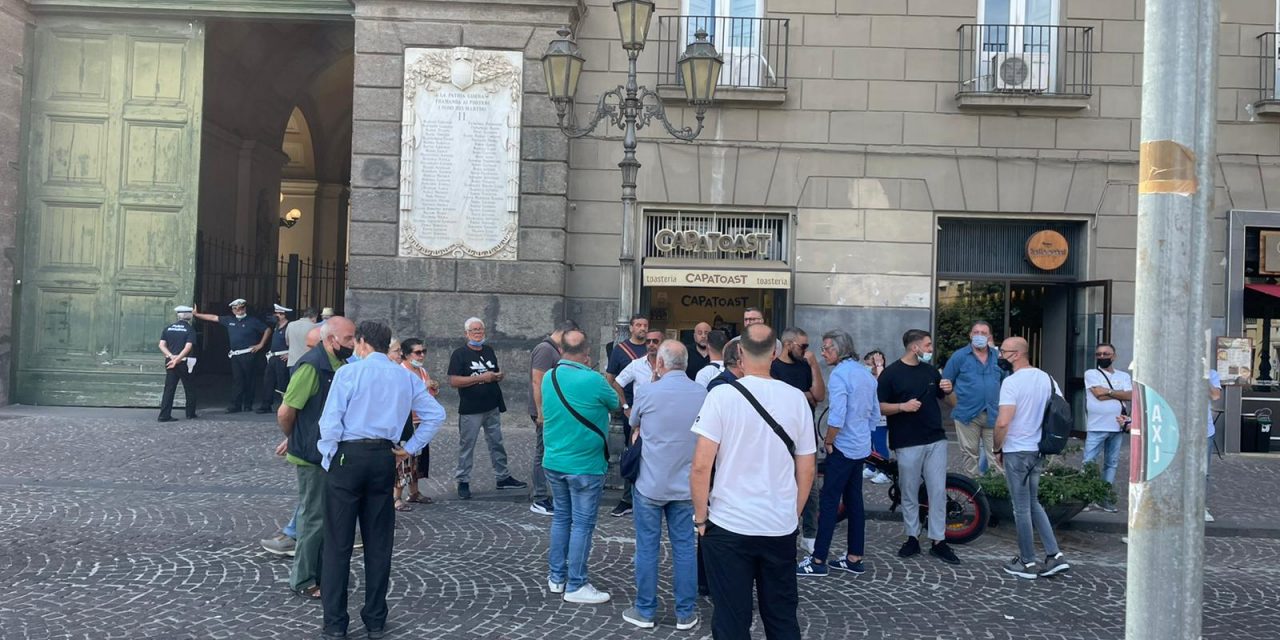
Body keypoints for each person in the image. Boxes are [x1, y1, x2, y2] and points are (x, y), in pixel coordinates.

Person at [318, 321, 446, 639]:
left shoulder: (350, 372)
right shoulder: (404, 376)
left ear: (361, 343)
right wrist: (409, 449)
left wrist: (328, 457)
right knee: (378, 542)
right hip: (382, 457)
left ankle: (335, 624)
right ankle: (375, 618)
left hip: (348, 454)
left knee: (338, 544)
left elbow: (330, 421)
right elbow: (436, 415)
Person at [691, 324, 817, 640]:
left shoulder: (721, 395)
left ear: (741, 354)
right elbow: (807, 469)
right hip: (778, 524)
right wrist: (794, 512)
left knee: (731, 620)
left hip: (728, 524)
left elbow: (700, 467)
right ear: (775, 354)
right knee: (782, 617)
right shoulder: (796, 399)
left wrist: (700, 520)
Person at [623, 340, 706, 630]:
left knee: (647, 547)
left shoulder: (647, 391)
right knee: (684, 548)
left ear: (660, 364)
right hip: (685, 484)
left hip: (650, 482)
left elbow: (634, 422)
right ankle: (685, 612)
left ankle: (645, 610)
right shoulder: (702, 393)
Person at [278, 316, 355, 601]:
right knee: (313, 517)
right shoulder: (312, 367)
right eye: (348, 339)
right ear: (331, 340)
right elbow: (287, 411)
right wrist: (296, 438)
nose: (352, 343)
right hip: (312, 456)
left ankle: (322, 573)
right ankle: (303, 578)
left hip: (329, 453)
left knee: (325, 517)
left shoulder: (340, 366)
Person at [541, 328, 620, 604]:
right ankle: (576, 584)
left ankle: (556, 577)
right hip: (585, 464)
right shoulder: (593, 379)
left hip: (554, 461)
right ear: (587, 355)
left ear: (561, 351)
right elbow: (615, 403)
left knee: (562, 518)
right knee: (583, 525)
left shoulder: (549, 377)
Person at [876, 329, 961, 565]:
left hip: (936, 438)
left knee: (937, 490)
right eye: (928, 345)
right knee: (910, 491)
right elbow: (879, 407)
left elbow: (952, 403)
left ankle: (938, 540)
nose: (931, 350)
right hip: (906, 441)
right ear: (915, 348)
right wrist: (902, 407)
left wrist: (949, 389)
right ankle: (912, 537)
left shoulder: (931, 371)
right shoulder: (891, 374)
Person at [797, 330, 877, 578]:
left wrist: (829, 440)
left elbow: (837, 415)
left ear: (839, 349)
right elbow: (874, 413)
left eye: (826, 348)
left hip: (843, 446)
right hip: (860, 444)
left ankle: (818, 558)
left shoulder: (840, 375)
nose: (823, 352)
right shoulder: (866, 373)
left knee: (829, 501)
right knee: (854, 501)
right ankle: (855, 556)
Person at [993, 337, 1070, 580]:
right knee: (1034, 504)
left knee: (1021, 509)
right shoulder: (1047, 379)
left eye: (1003, 352)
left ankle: (1027, 562)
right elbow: (1061, 410)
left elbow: (1003, 421)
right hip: (1038, 449)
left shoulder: (1012, 383)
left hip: (1017, 450)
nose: (1000, 356)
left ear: (1016, 354)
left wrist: (997, 448)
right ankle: (1054, 555)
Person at [447, 317, 526, 500]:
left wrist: (497, 376)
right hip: (471, 408)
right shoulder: (459, 354)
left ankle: (503, 477)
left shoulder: (489, 350)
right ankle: (463, 480)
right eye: (474, 330)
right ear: (467, 333)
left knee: (497, 442)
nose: (478, 333)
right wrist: (482, 378)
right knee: (467, 445)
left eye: (480, 330)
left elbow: (492, 372)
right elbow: (454, 381)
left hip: (492, 405)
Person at [772, 327, 826, 554]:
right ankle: (781, 530)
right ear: (788, 344)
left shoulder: (806, 365)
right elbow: (776, 396)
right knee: (780, 484)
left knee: (810, 486)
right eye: (802, 346)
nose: (806, 351)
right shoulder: (774, 367)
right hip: (780, 436)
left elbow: (819, 396)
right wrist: (803, 394)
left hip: (806, 434)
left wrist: (814, 365)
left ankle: (810, 535)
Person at [608, 327, 665, 517]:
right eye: (648, 341)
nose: (650, 345)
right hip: (639, 421)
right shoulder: (636, 365)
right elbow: (617, 383)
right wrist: (626, 407)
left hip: (663, 421)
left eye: (655, 341)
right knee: (633, 457)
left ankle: (658, 499)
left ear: (662, 344)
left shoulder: (670, 366)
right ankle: (627, 499)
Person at [529, 320, 579, 516]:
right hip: (545, 411)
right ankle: (540, 497)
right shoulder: (545, 349)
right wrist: (540, 411)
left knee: (549, 450)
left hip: (552, 410)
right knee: (542, 452)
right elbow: (537, 380)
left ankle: (546, 494)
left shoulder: (552, 349)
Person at [941, 321, 1004, 475]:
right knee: (970, 456)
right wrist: (954, 400)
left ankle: (996, 494)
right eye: (976, 332)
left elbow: (1008, 382)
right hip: (966, 415)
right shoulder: (959, 356)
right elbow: (945, 383)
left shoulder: (999, 357)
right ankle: (974, 495)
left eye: (983, 333)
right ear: (970, 335)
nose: (979, 336)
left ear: (989, 336)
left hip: (994, 414)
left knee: (996, 457)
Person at [193, 299, 270, 413]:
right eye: (236, 309)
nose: (239, 310)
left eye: (241, 308)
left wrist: (261, 344)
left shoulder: (252, 321)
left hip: (249, 354)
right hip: (235, 355)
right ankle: (235, 405)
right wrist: (196, 314)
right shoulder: (229, 320)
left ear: (244, 308)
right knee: (237, 381)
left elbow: (267, 329)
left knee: (249, 380)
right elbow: (214, 318)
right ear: (233, 310)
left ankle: (248, 404)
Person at [1082, 342, 1132, 512]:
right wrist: (1117, 393)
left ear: (1114, 356)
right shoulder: (1091, 373)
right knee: (1089, 461)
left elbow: (1131, 395)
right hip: (1097, 425)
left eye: (1106, 354)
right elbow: (1097, 395)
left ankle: (1104, 497)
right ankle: (1085, 497)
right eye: (1099, 354)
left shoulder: (1124, 375)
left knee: (1111, 463)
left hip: (1118, 424)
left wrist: (1108, 392)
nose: (1102, 357)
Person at [396, 338, 440, 510]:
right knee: (403, 459)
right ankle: (396, 496)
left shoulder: (422, 371)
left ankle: (414, 492)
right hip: (406, 421)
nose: (422, 355)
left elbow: (427, 396)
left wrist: (433, 388)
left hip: (421, 421)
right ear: (406, 355)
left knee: (418, 459)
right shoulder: (401, 371)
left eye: (423, 352)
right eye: (417, 352)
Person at [157, 305, 198, 422]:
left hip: (170, 362)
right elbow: (188, 347)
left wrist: (171, 357)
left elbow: (161, 345)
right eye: (190, 313)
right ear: (187, 315)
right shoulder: (190, 329)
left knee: (169, 388)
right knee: (189, 388)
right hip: (184, 362)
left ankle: (164, 415)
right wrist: (178, 359)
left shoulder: (168, 328)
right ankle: (190, 413)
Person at [861, 350, 891, 485]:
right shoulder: (868, 376)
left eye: (869, 364)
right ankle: (871, 467)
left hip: (881, 418)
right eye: (865, 364)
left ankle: (885, 472)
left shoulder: (884, 375)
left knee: (879, 444)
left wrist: (880, 366)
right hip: (869, 415)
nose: (866, 367)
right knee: (869, 443)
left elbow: (882, 387)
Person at [257, 304, 293, 414]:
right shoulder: (276, 326)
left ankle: (285, 406)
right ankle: (266, 405)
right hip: (273, 357)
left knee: (283, 382)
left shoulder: (289, 327)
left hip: (282, 358)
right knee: (268, 381)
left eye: (277, 314)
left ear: (283, 315)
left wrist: (289, 354)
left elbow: (294, 343)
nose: (275, 315)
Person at [1206, 368, 1221, 523]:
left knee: (1204, 472)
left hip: (1205, 430)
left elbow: (1215, 395)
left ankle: (1200, 506)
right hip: (1179, 430)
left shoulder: (1211, 374)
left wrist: (1203, 378)